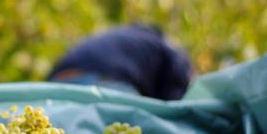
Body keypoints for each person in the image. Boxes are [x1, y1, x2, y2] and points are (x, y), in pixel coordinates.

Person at [47, 24, 193, 100]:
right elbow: (173, 105)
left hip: (55, 85)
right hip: (105, 84)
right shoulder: (170, 49)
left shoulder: (126, 35)